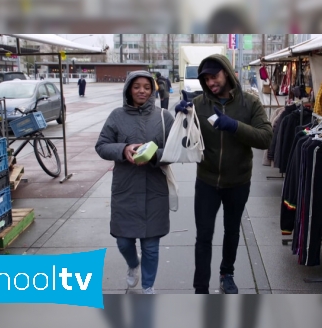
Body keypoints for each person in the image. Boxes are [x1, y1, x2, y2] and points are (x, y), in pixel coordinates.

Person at [175, 54, 272, 294]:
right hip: (206, 181)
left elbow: (266, 137)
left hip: (238, 181)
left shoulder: (250, 103)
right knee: (204, 235)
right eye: (205, 79)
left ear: (227, 73)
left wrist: (235, 126)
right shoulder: (199, 104)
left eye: (214, 76)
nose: (210, 83)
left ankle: (227, 273)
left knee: (231, 231)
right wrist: (179, 117)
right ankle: (200, 286)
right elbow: (184, 138)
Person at [95, 70, 175, 294]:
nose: (142, 91)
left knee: (151, 246)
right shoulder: (116, 116)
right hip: (126, 188)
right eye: (137, 86)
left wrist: (154, 155)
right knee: (123, 241)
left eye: (147, 87)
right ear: (129, 89)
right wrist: (123, 149)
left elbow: (175, 151)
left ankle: (148, 287)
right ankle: (133, 264)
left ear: (153, 90)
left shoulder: (164, 117)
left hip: (154, 188)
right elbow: (101, 146)